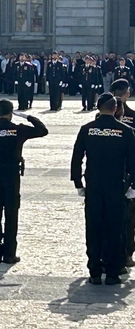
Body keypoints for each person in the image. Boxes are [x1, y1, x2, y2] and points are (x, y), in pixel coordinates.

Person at [71, 93, 135, 285]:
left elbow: (76, 158)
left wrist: (78, 183)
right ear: (115, 108)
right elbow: (133, 162)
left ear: (98, 108)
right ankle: (113, 272)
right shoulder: (125, 131)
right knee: (114, 228)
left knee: (94, 227)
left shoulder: (87, 129)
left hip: (94, 185)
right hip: (116, 186)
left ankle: (95, 271)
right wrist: (133, 186)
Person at [0, 99, 48, 264]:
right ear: (10, 113)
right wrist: (27, 116)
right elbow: (43, 130)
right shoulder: (17, 130)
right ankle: (9, 253)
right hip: (11, 176)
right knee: (11, 214)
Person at [110, 79, 135, 268]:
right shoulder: (132, 116)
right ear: (126, 93)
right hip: (127, 175)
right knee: (128, 218)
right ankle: (125, 254)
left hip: (107, 176)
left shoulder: (100, 117)